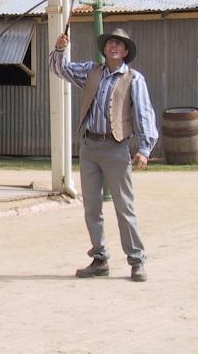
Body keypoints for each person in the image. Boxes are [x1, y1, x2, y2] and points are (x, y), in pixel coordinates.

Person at [49, 27, 158, 282]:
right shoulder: (91, 71)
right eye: (110, 42)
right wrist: (60, 49)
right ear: (105, 48)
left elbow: (144, 113)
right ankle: (99, 259)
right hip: (90, 147)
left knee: (124, 206)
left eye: (119, 45)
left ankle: (136, 261)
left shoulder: (134, 79)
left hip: (116, 147)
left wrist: (144, 149)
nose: (113, 47)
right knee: (92, 207)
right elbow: (61, 69)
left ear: (126, 52)